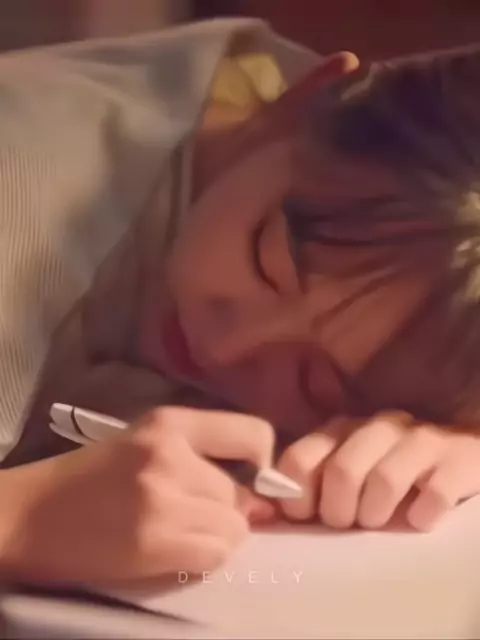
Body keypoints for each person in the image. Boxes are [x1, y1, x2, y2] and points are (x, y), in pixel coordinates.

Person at [0, 17, 479, 586]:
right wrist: (22, 520)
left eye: (315, 383)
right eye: (264, 263)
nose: (228, 346)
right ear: (300, 100)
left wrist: (459, 437)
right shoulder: (23, 180)